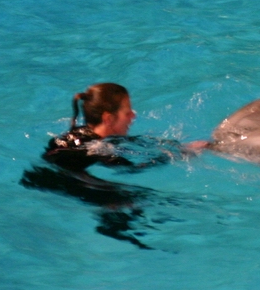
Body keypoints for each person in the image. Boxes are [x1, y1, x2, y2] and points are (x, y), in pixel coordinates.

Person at [22, 83, 179, 250]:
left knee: (123, 194)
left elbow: (137, 143)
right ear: (108, 119)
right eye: (127, 112)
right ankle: (118, 230)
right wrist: (168, 157)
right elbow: (131, 167)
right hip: (53, 179)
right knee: (127, 197)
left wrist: (180, 148)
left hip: (43, 173)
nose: (133, 116)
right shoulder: (97, 146)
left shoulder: (85, 134)